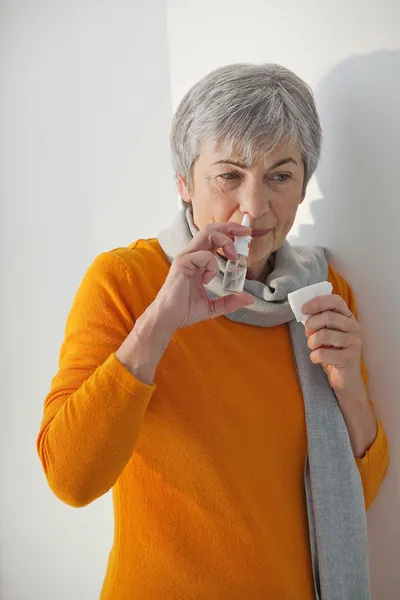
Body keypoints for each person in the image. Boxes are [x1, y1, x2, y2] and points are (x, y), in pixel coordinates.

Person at [37, 63, 390, 600]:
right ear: (184, 182)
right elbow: (71, 479)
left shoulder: (322, 290)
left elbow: (350, 498)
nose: (254, 207)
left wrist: (349, 387)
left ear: (302, 186)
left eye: (280, 175)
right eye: (228, 175)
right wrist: (159, 324)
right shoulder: (126, 281)